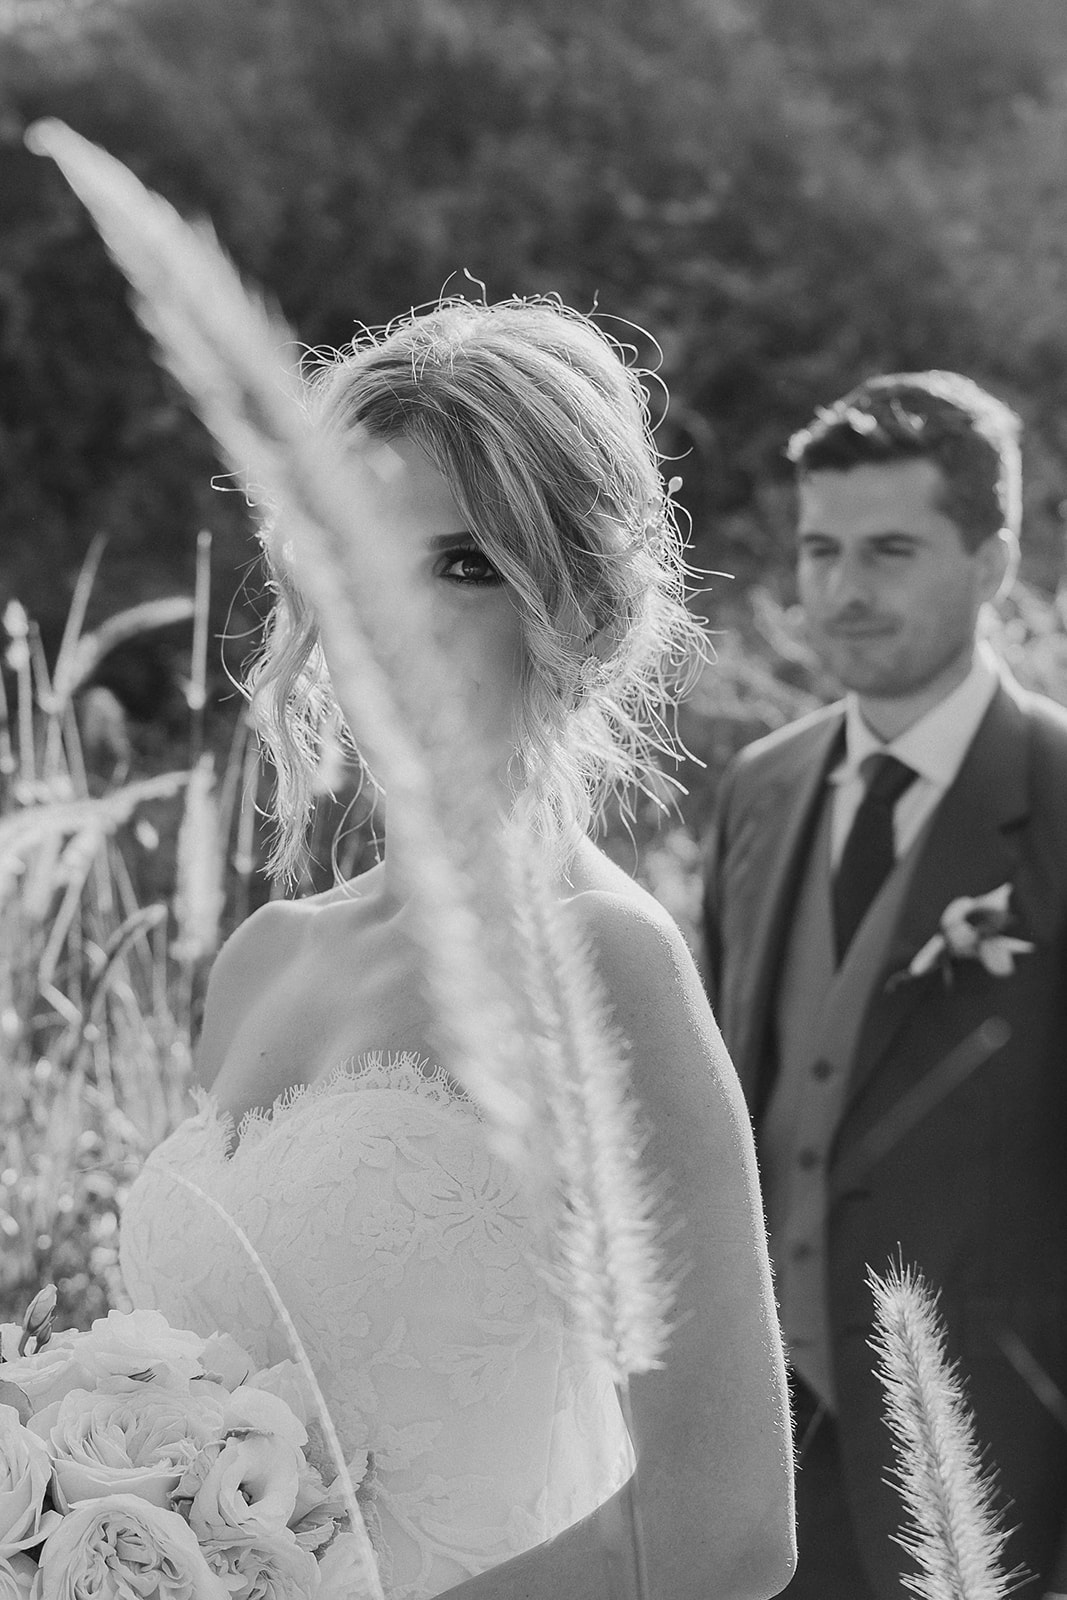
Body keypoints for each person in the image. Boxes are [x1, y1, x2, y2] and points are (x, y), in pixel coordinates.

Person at [119, 297, 796, 1600]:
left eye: (464, 563)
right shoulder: (265, 957)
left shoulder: (600, 967)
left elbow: (724, 1527)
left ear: (580, 610)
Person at [703, 370, 1067, 1600]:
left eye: (890, 550)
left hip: (995, 1471)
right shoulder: (758, 788)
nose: (842, 591)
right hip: (761, 1462)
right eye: (819, 550)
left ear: (991, 559)